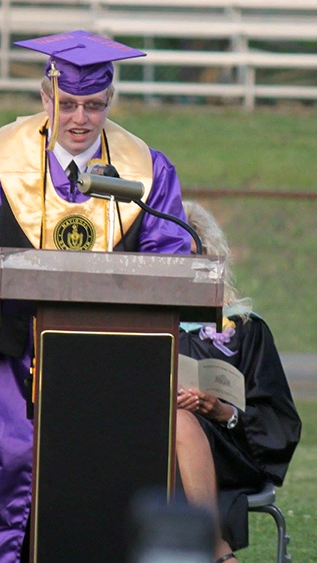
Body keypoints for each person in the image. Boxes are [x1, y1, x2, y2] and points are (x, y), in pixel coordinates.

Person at [0, 30, 190, 563]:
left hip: (104, 375)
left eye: (94, 105)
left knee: (90, 515)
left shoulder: (145, 170)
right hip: (1, 369)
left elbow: (173, 250)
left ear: (109, 102)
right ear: (46, 97)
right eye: (68, 103)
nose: (79, 119)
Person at [176, 201, 302, 562]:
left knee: (181, 423)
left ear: (210, 259)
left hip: (229, 451)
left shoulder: (245, 328)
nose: (181, 267)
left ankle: (215, 549)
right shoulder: (142, 326)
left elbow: (278, 419)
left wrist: (222, 410)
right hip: (153, 444)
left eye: (190, 256)